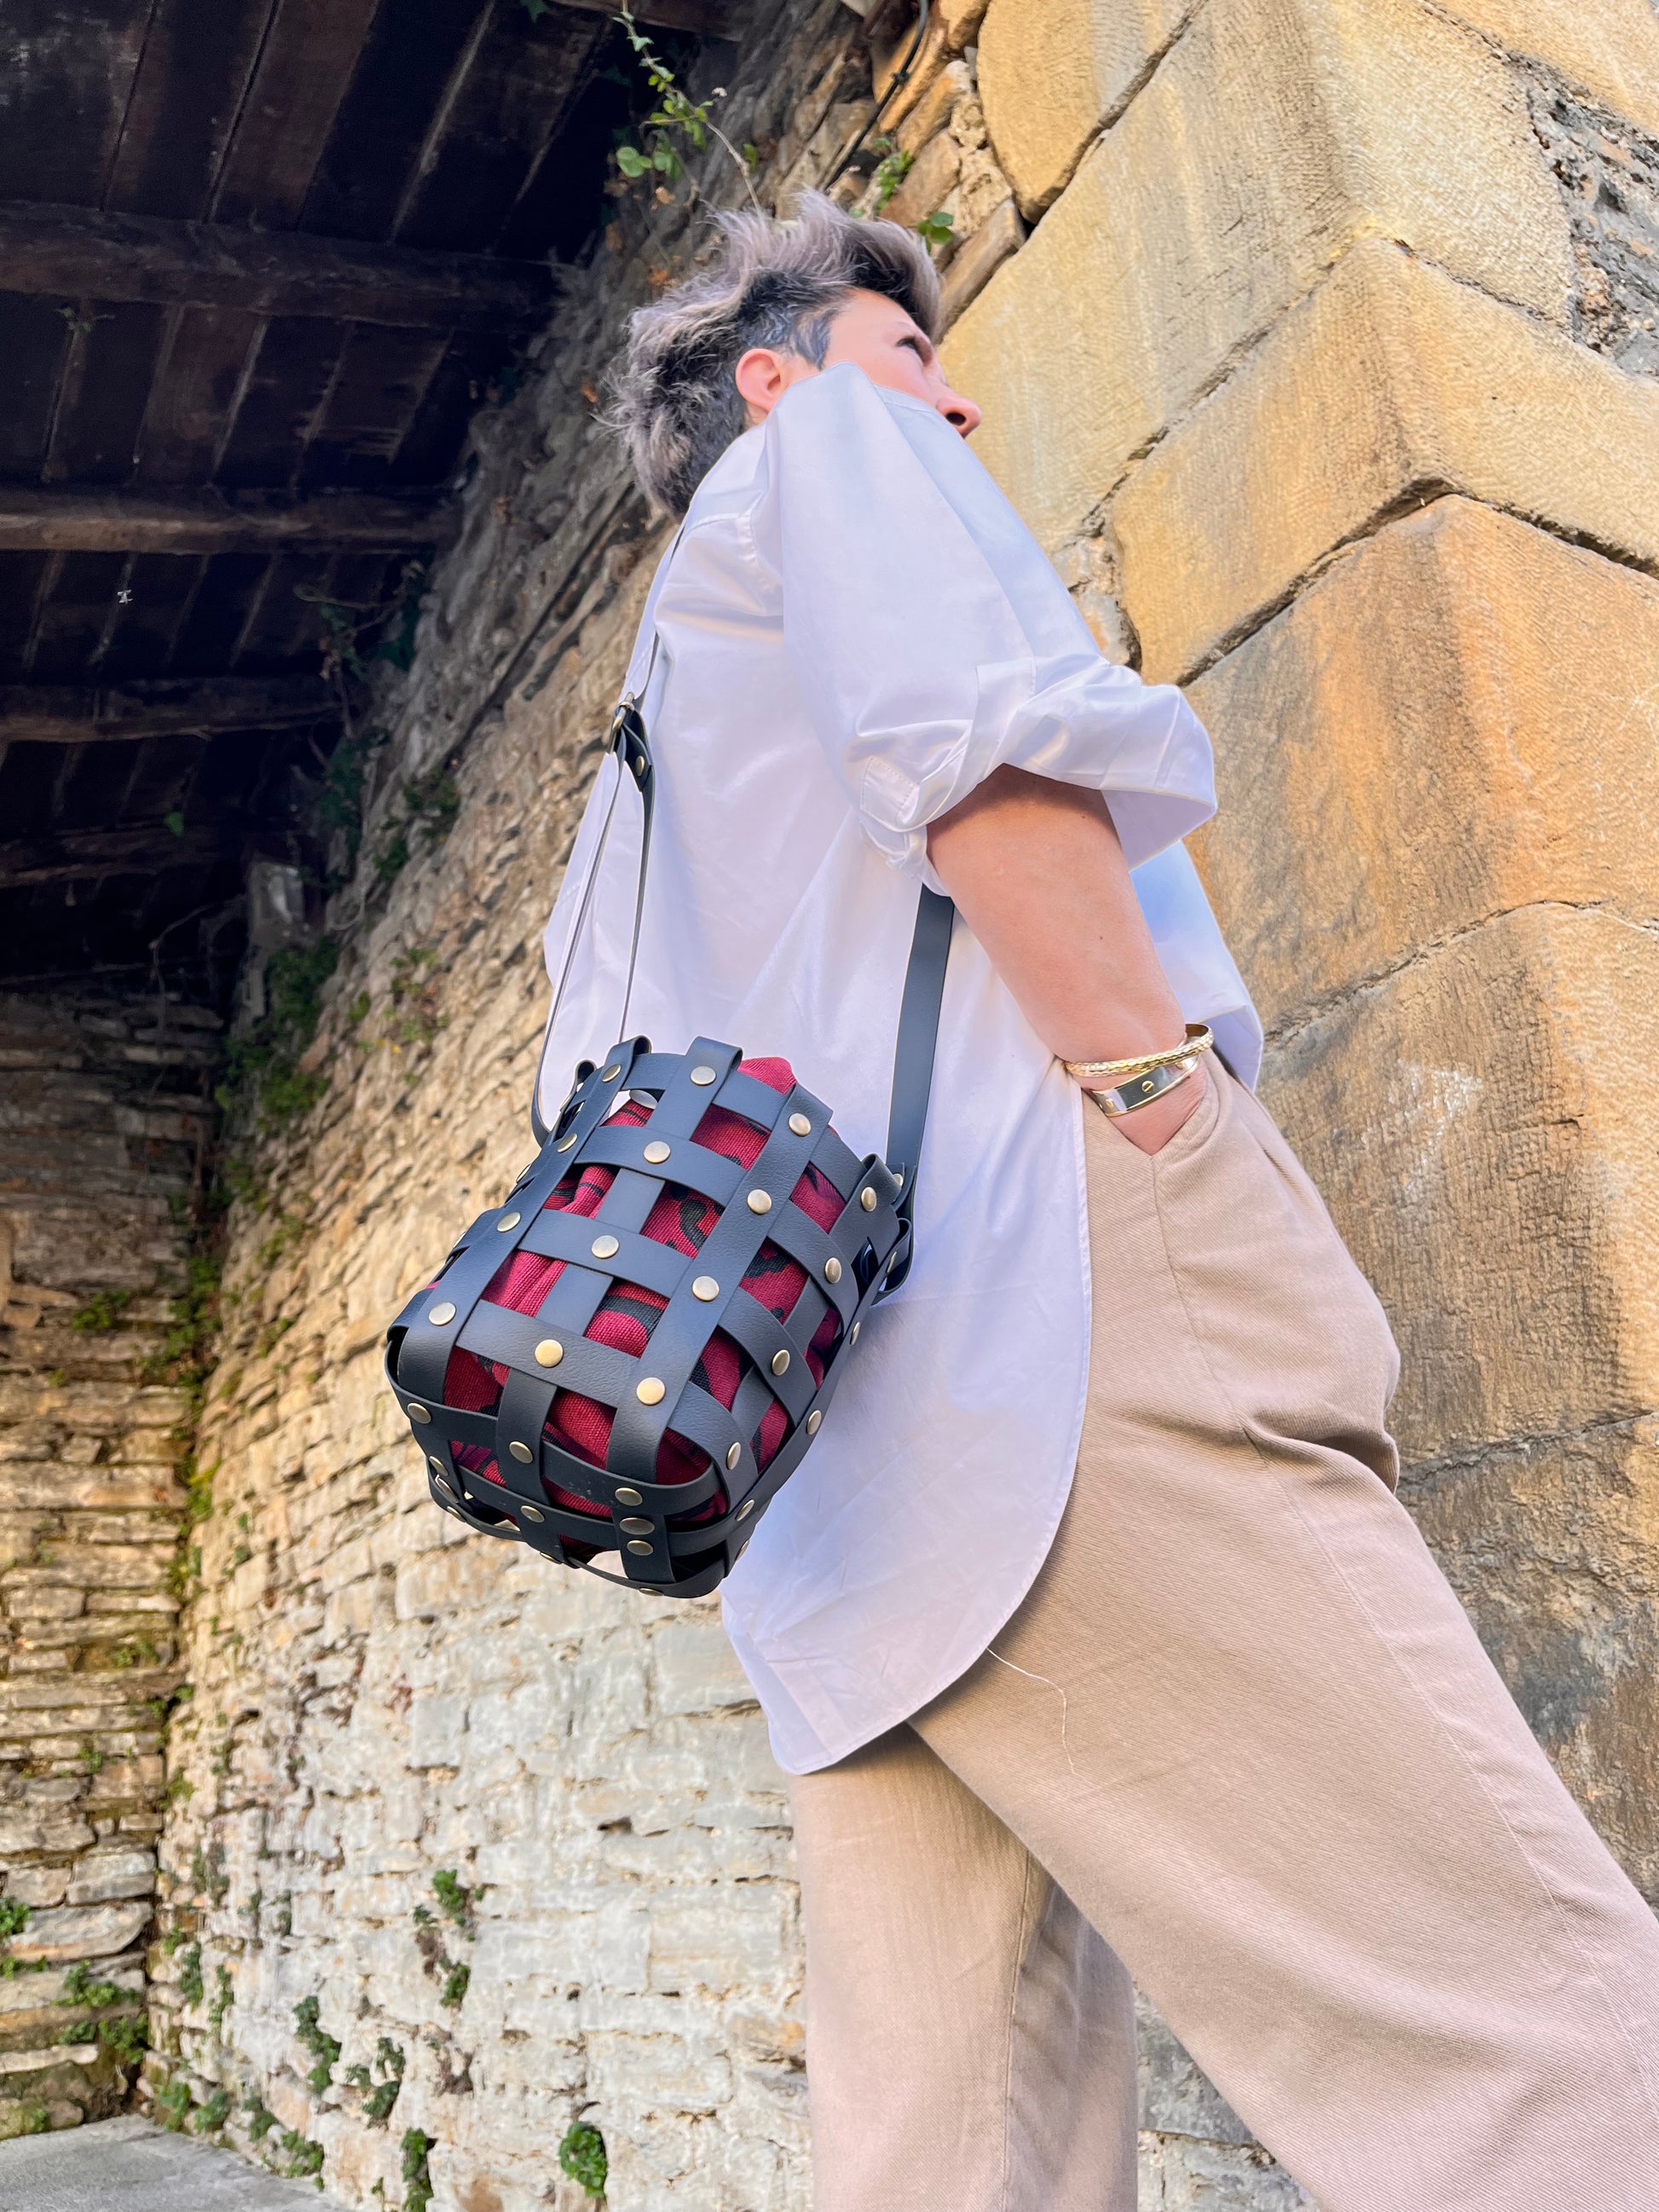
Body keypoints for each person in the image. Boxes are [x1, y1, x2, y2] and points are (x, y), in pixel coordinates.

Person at [536, 193, 1659, 2211]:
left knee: (955, 2152)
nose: (954, 404)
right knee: (1509, 2019)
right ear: (777, 381)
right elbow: (975, 753)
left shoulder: (649, 751)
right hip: (1045, 1317)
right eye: (912, 356)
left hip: (830, 1488)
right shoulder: (830, 452)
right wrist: (1162, 1102)